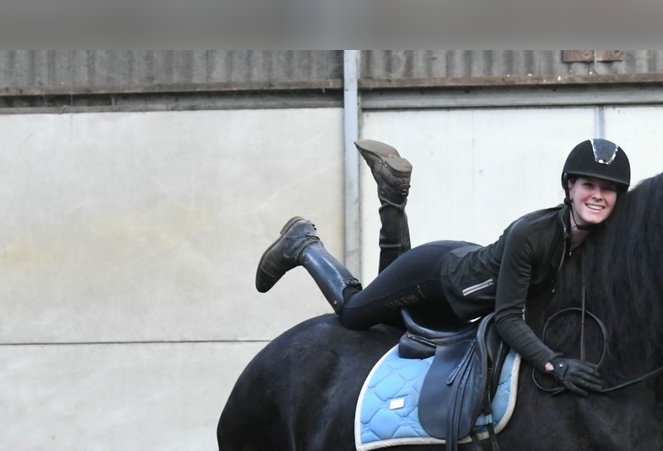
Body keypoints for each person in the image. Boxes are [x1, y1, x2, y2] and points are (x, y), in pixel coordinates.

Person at [254, 137, 631, 396]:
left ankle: (392, 194)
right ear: (569, 187)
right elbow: (508, 318)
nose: (597, 195)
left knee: (390, 316)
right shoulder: (532, 234)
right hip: (436, 279)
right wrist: (553, 365)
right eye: (588, 185)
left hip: (468, 266)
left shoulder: (594, 241)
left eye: (608, 189)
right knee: (355, 313)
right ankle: (304, 244)